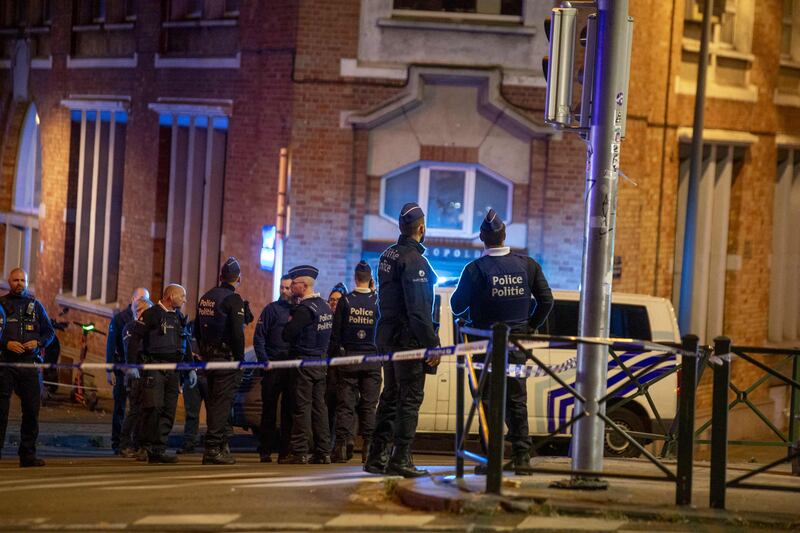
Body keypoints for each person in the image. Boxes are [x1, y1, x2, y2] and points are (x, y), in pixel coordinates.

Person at [450, 209, 553, 475]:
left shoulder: (474, 270)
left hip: (485, 348)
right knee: (517, 400)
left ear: (482, 237)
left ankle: (492, 459)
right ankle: (522, 458)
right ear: (504, 235)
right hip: (517, 345)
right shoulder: (528, 265)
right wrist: (530, 326)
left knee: (487, 401)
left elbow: (457, 305)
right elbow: (547, 301)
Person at [364, 203, 440, 478]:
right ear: (421, 228)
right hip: (408, 341)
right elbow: (419, 311)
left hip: (388, 336)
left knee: (391, 397)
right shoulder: (415, 261)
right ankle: (401, 458)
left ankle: (376, 456)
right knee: (409, 400)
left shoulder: (388, 255)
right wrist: (432, 344)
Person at [127, 284, 196, 464]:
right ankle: (146, 446)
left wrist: (190, 369)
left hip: (173, 371)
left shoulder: (178, 317)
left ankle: (159, 448)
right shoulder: (151, 314)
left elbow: (185, 343)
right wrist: (132, 365)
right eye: (182, 296)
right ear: (171, 296)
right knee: (153, 407)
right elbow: (135, 339)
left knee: (168, 410)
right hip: (154, 368)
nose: (185, 300)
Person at [0, 268, 55, 467]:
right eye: (16, 280)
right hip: (6, 364)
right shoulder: (1, 305)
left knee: (31, 410)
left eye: (23, 280)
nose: (19, 283)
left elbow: (50, 333)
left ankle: (28, 455)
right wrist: (5, 344)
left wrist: (38, 343)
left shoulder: (35, 305)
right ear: (9, 281)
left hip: (29, 364)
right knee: (1, 411)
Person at [280, 265, 333, 464]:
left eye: (293, 283)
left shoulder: (304, 309)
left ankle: (300, 451)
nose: (291, 286)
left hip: (305, 362)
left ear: (303, 285)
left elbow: (288, 333)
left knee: (301, 407)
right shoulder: (325, 306)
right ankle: (323, 451)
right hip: (321, 362)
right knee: (320, 408)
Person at [195, 257, 246, 465]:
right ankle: (214, 448)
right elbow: (237, 334)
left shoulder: (206, 297)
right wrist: (240, 359)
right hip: (226, 360)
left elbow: (197, 330)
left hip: (208, 359)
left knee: (214, 404)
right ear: (238, 279)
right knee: (221, 406)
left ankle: (219, 445)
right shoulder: (233, 300)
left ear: (220, 277)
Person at [330, 261, 381, 463]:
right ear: (369, 279)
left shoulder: (346, 301)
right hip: (372, 360)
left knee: (346, 405)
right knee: (369, 406)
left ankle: (341, 448)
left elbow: (336, 333)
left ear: (355, 277)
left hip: (349, 359)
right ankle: (368, 449)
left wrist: (338, 355)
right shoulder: (377, 301)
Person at [253, 275, 294, 463]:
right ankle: (265, 450)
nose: (284, 291)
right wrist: (264, 361)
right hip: (272, 367)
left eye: (287, 288)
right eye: (281, 287)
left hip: (291, 368)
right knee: (268, 410)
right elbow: (259, 337)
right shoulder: (271, 310)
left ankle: (285, 451)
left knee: (288, 411)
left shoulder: (298, 310)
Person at [107, 287, 150, 454]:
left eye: (145, 300)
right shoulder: (120, 319)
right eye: (139, 300)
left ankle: (133, 442)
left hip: (137, 371)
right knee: (120, 407)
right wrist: (109, 369)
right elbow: (112, 344)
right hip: (120, 368)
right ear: (132, 299)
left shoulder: (146, 319)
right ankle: (117, 443)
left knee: (135, 409)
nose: (141, 303)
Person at [119, 297, 154, 460]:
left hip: (146, 373)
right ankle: (124, 444)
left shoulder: (147, 328)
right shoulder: (130, 327)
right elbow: (131, 350)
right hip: (135, 375)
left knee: (143, 411)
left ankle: (138, 444)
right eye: (139, 310)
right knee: (134, 411)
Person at [325, 282, 348, 441]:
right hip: (327, 370)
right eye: (331, 300)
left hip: (342, 371)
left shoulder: (345, 323)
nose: (334, 303)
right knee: (328, 407)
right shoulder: (324, 320)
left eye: (337, 300)